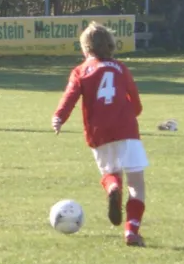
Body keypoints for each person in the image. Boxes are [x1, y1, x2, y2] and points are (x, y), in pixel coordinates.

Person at [52, 22, 148, 247]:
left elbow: (70, 96)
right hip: (126, 129)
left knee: (111, 173)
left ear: (86, 48)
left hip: (99, 131)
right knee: (136, 184)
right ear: (110, 46)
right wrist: (132, 113)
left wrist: (59, 117)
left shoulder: (80, 71)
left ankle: (113, 187)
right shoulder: (121, 68)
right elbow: (135, 101)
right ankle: (131, 230)